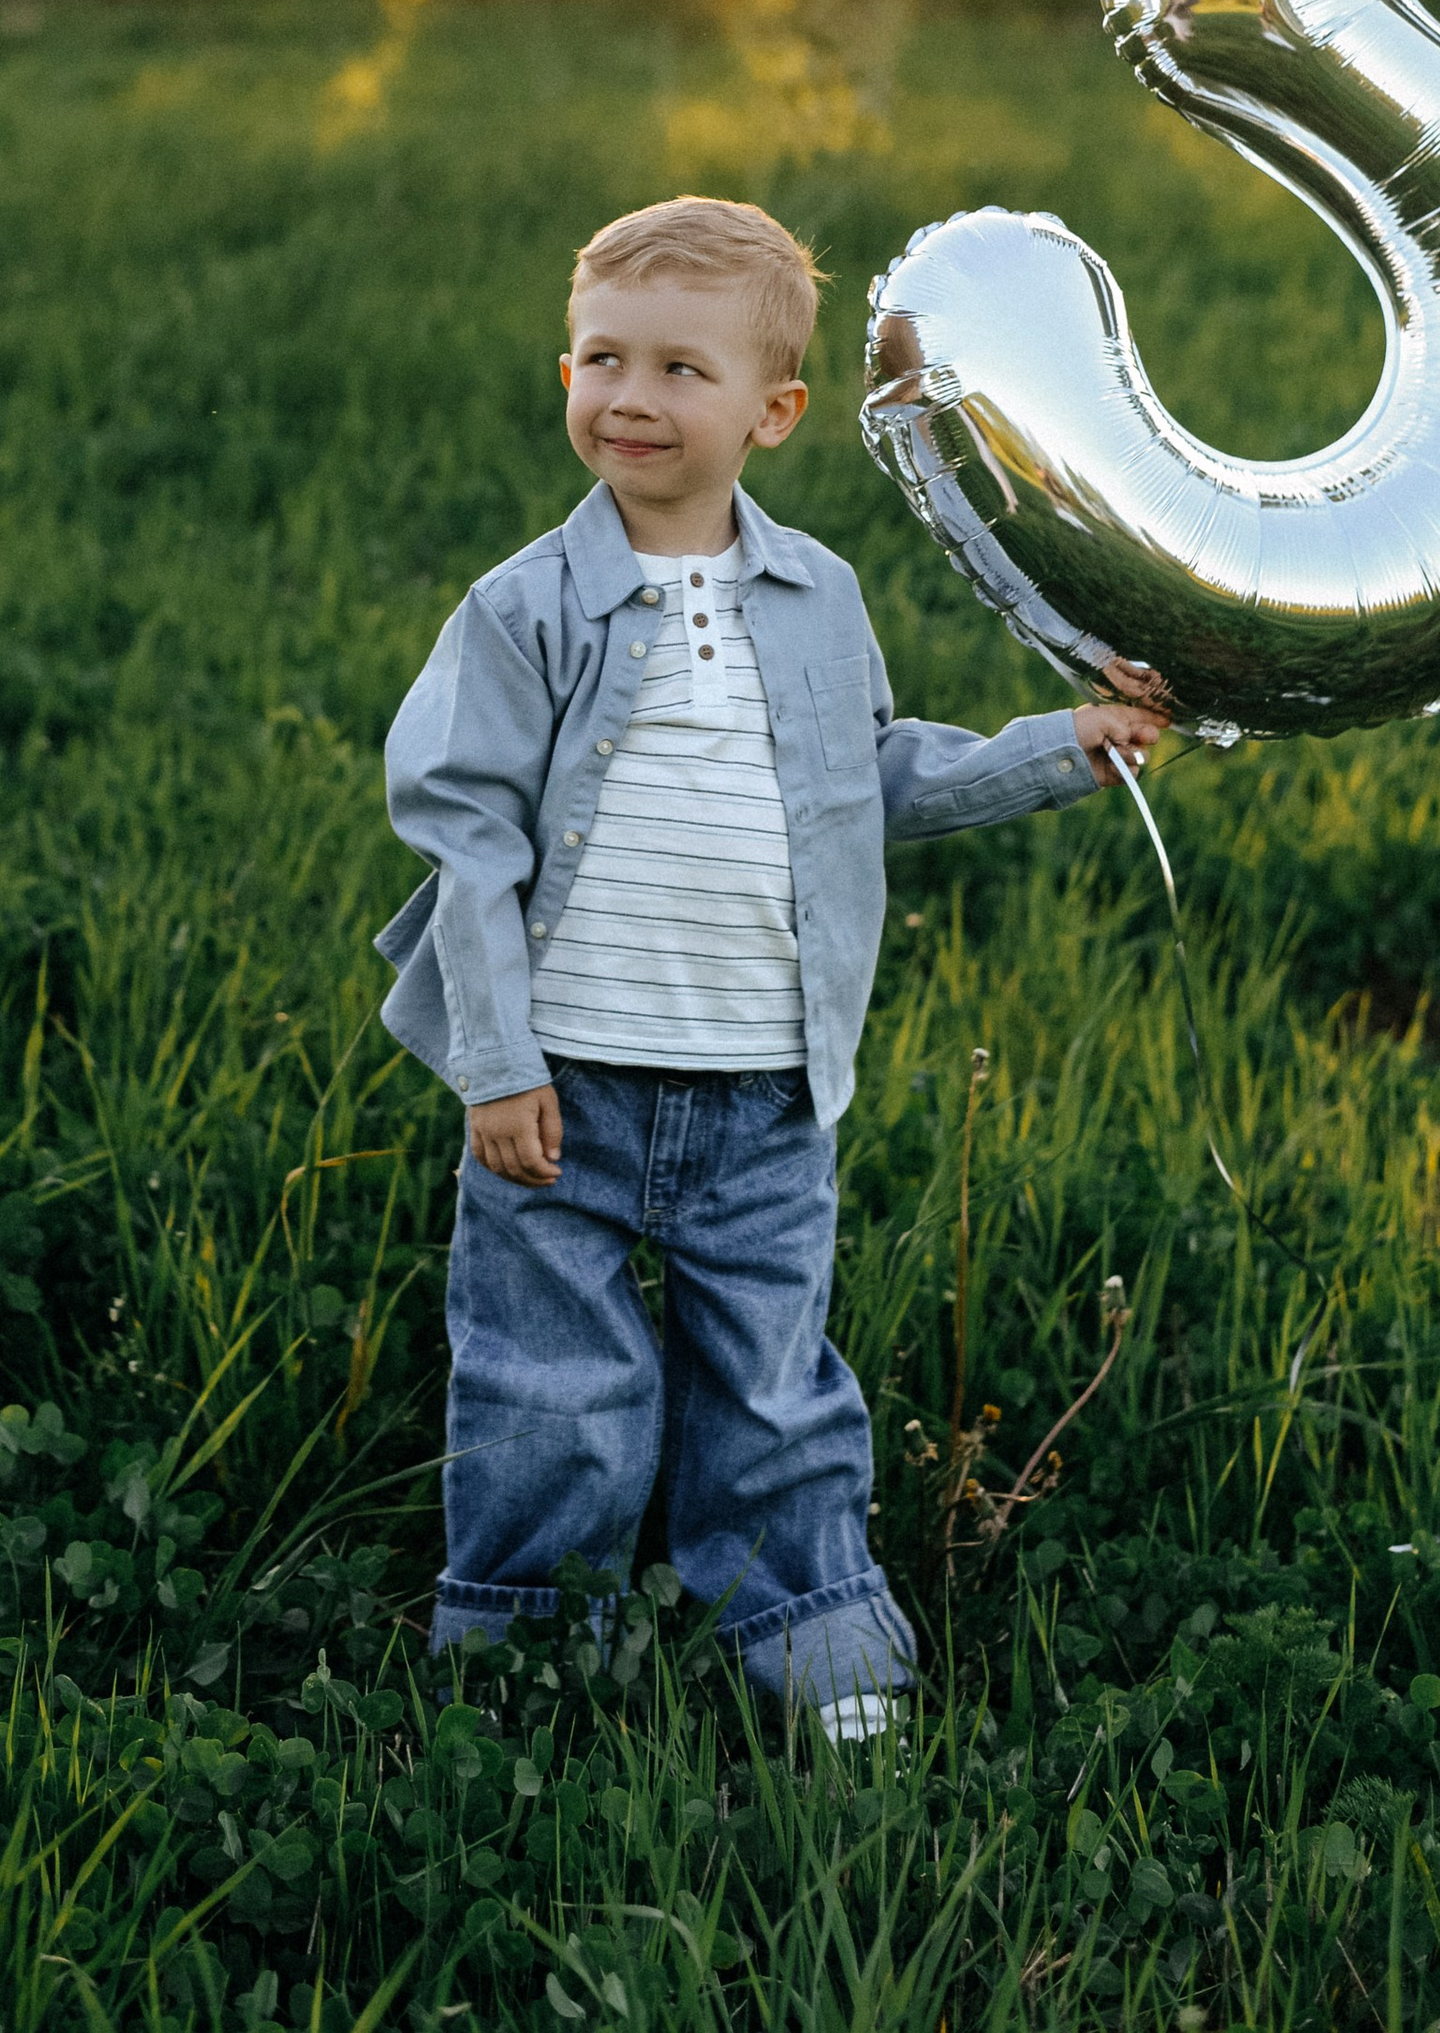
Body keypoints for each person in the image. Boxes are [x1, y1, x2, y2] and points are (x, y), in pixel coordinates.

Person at [372, 192, 1169, 1740]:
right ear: (565, 379)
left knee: (775, 1388)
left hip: (763, 1097)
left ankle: (810, 1644)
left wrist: (1062, 750)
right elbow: (463, 833)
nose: (631, 396)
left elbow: (874, 781)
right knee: (552, 1390)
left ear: (775, 412)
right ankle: (530, 1664)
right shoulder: (523, 609)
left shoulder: (816, 602)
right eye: (603, 358)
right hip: (566, 1089)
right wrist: (496, 1061)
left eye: (682, 369)